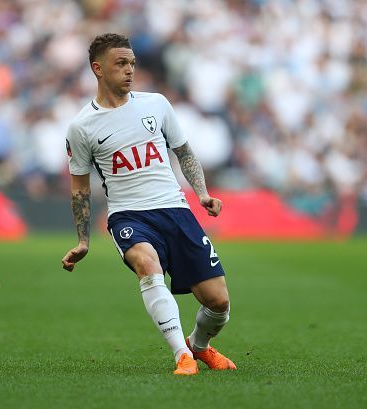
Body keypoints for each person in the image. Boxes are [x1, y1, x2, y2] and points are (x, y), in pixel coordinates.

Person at [61, 33, 236, 375]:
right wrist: (83, 240)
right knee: (146, 264)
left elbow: (183, 152)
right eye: (120, 64)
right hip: (128, 215)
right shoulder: (81, 127)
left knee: (219, 303)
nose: (129, 71)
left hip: (175, 210)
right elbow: (80, 187)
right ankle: (180, 356)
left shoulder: (156, 104)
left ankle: (197, 347)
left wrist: (201, 193)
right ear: (98, 69)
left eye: (132, 64)